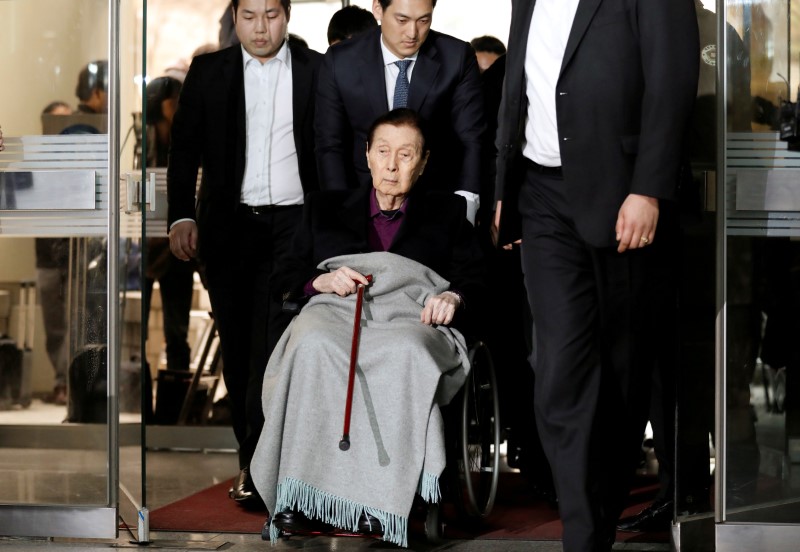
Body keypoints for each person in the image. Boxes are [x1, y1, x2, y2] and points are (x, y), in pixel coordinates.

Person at [493, 1, 699, 551]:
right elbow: (521, 82)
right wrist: (501, 185)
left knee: (622, 376)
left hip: (622, 194)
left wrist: (649, 187)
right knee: (559, 369)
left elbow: (672, 76)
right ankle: (583, 536)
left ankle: (596, 527)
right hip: (541, 196)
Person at [250, 108, 485, 547]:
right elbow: (284, 275)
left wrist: (452, 297)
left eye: (406, 154)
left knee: (407, 352)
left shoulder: (447, 212)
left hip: (409, 315)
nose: (393, 165)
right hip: (336, 311)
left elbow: (477, 279)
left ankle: (385, 502)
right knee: (311, 342)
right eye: (383, 152)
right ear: (367, 156)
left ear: (424, 160)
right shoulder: (324, 207)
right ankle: (298, 498)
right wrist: (319, 280)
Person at [167, 0, 322, 510]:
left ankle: (277, 469)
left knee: (278, 349)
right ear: (235, 17)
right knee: (238, 351)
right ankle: (252, 460)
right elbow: (184, 149)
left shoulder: (315, 69)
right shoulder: (210, 72)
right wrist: (181, 215)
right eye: (250, 15)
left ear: (288, 15)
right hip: (230, 230)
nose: (262, 27)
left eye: (272, 14)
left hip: (295, 230)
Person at [617, 0, 753, 532]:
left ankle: (724, 484)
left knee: (715, 359)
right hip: (653, 210)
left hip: (713, 215)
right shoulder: (628, 19)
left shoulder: (719, 31)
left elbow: (739, 117)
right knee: (662, 362)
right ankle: (680, 487)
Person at [315, 0, 485, 225]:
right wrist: (340, 210)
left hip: (434, 201)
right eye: (402, 20)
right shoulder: (341, 60)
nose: (412, 33)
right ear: (378, 8)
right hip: (361, 200)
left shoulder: (456, 57)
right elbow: (330, 143)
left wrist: (466, 206)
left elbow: (471, 138)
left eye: (423, 20)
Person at [142, 76, 196, 395]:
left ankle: (173, 409)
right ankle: (143, 408)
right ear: (163, 106)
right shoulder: (141, 141)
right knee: (137, 336)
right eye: (176, 102)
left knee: (177, 331)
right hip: (144, 248)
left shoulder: (187, 139)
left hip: (175, 249)